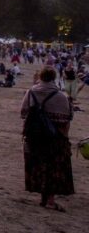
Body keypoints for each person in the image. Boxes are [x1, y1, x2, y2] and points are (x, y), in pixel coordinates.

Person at [20, 67, 74, 211]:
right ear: (54, 78)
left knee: (39, 166)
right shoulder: (60, 96)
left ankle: (43, 198)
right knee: (53, 168)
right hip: (54, 138)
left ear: (41, 77)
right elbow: (67, 119)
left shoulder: (31, 93)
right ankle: (50, 200)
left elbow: (23, 113)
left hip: (34, 137)